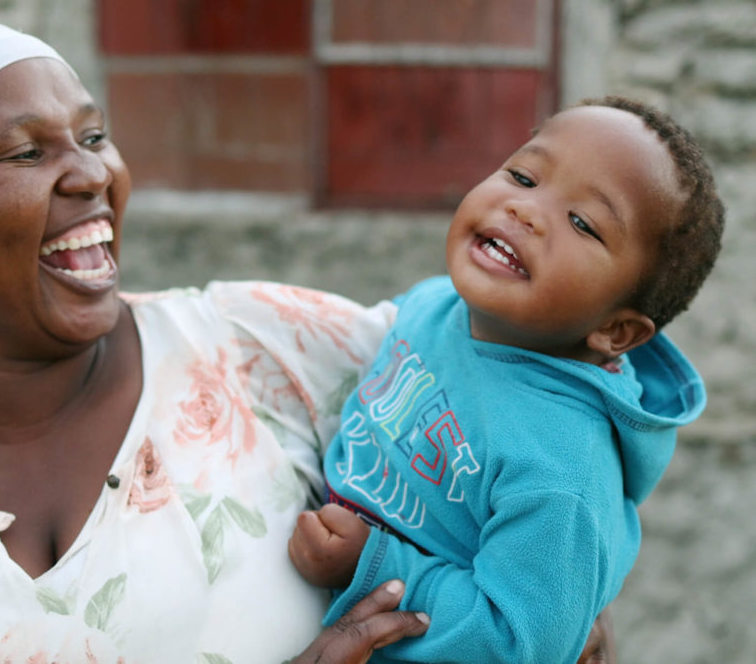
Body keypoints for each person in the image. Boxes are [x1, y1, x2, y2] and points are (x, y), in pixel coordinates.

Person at [0, 18, 611, 663]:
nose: (92, 172)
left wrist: (559, 607)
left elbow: (530, 394)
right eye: (23, 154)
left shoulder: (265, 347)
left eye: (92, 134)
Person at [288, 96, 724, 662]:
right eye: (523, 175)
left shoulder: (561, 472)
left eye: (582, 223)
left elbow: (522, 641)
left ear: (616, 332)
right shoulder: (438, 305)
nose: (526, 210)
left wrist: (372, 567)